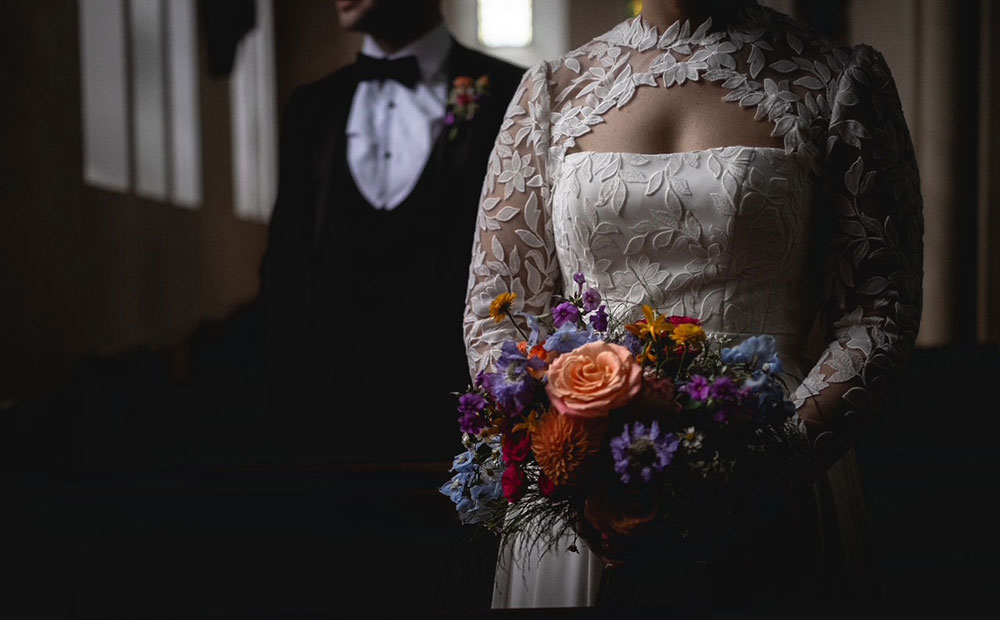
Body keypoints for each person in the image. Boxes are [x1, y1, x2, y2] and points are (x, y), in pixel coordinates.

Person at [462, 0, 923, 609]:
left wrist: (769, 463)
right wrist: (567, 460)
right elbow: (497, 309)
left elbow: (877, 312)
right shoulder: (549, 93)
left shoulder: (836, 80)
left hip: (773, 460)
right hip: (587, 488)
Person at [258, 0, 524, 462]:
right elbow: (287, 264)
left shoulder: (509, 92)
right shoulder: (313, 106)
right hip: (329, 421)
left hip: (454, 411)